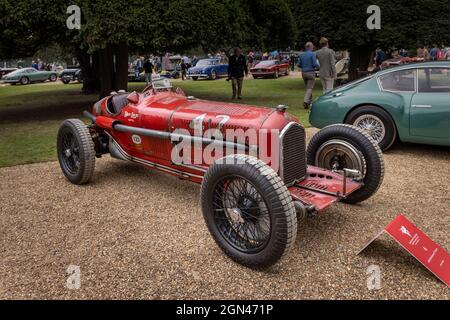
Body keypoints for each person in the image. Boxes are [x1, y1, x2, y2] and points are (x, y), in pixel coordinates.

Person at [298, 42, 319, 109]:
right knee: (310, 88)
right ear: (310, 47)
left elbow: (299, 64)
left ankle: (310, 102)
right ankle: (306, 101)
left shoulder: (301, 55)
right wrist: (320, 67)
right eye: (312, 46)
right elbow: (315, 64)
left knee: (308, 88)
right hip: (310, 72)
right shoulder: (313, 54)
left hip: (303, 73)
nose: (313, 47)